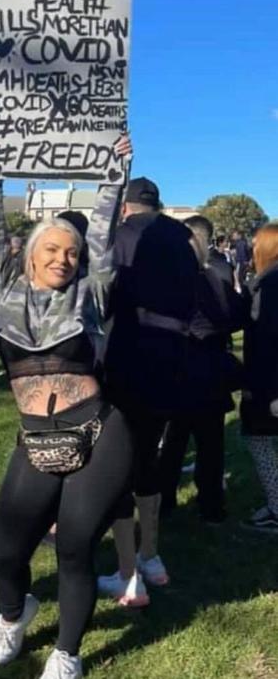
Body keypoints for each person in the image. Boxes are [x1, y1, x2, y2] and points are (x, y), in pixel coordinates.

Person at [0, 126, 133, 679]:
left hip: (99, 433)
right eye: (51, 249)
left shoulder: (91, 292)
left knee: (75, 548)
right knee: (3, 550)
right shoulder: (2, 293)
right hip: (35, 437)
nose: (63, 258)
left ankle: (67, 652)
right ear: (30, 257)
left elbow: (104, 238)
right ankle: (15, 614)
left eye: (70, 251)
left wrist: (114, 174)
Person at [98, 177, 200, 606]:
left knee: (121, 463)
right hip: (172, 359)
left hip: (127, 360)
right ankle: (151, 556)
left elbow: (103, 295)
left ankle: (127, 572)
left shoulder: (120, 237)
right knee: (150, 458)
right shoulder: (185, 239)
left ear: (126, 209)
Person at [158, 215, 245, 523]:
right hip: (207, 368)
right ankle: (211, 505)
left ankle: (166, 499)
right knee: (209, 444)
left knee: (176, 441)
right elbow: (235, 316)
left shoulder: (173, 279)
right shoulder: (214, 276)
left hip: (183, 368)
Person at [240, 223, 278, 531]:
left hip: (269, 381)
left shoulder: (266, 286)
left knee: (259, 440)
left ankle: (277, 507)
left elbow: (266, 340)